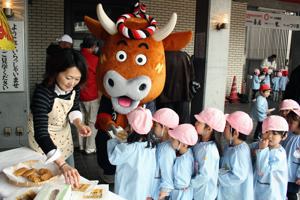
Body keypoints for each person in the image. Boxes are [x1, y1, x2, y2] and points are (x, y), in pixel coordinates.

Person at [28, 48, 91, 188]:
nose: (72, 83)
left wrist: (79, 124)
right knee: (45, 184)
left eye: (77, 79)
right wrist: (61, 164)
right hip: (43, 145)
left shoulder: (75, 88)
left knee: (68, 183)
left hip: (64, 140)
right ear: (56, 72)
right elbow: (41, 133)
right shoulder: (43, 93)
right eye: (68, 78)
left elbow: (73, 108)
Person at [107, 107, 156, 200]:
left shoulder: (128, 148)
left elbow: (113, 158)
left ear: (132, 128)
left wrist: (114, 139)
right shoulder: (151, 146)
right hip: (143, 189)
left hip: (126, 190)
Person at [218, 111, 254, 200]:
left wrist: (218, 178)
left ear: (235, 133)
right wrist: (219, 172)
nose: (223, 128)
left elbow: (239, 176)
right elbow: (228, 166)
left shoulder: (239, 153)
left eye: (226, 126)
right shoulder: (231, 146)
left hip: (235, 194)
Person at [191, 108, 226, 200]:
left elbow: (204, 175)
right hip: (198, 191)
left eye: (199, 122)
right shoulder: (201, 142)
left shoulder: (209, 150)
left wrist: (188, 184)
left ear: (209, 128)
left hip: (203, 195)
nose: (196, 123)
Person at [254, 115, 288, 200]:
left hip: (271, 194)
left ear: (283, 136)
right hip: (259, 189)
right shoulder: (262, 145)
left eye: (274, 133)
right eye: (266, 132)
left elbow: (262, 171)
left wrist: (262, 150)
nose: (269, 136)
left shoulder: (279, 155)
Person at [151, 108, 179, 200]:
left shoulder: (166, 150)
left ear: (165, 128)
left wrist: (162, 196)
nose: (153, 127)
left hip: (157, 194)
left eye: (156, 125)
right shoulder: (163, 144)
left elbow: (167, 178)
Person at [78, 35, 100, 154]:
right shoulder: (95, 59)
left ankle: (81, 146)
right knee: (92, 122)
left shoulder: (76, 57)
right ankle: (90, 148)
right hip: (91, 95)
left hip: (78, 95)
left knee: (80, 121)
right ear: (93, 46)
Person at [168, 124, 198, 200]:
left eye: (174, 139)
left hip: (180, 195)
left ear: (184, 144)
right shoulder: (187, 153)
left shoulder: (183, 162)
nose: (171, 140)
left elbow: (181, 184)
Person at [281, 109, 300, 200]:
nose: (288, 125)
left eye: (291, 123)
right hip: (283, 171)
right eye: (287, 122)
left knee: (291, 194)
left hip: (293, 176)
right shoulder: (288, 134)